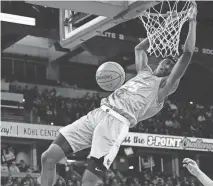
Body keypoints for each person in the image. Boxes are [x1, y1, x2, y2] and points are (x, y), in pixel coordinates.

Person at [40, 3, 197, 186]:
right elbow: (139, 49)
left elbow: (187, 53)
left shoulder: (164, 87)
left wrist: (191, 22)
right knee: (48, 157)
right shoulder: (144, 72)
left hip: (115, 124)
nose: (167, 64)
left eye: (172, 65)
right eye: (166, 60)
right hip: (98, 114)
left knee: (89, 181)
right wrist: (164, 28)